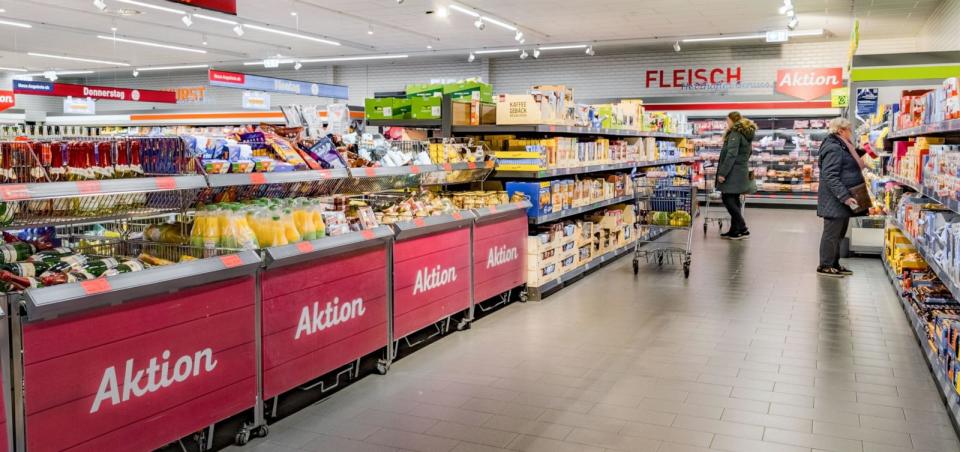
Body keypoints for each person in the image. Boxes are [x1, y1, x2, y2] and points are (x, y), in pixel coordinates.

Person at [816, 117, 866, 277]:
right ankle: (825, 265)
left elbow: (847, 161)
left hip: (840, 199)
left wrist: (865, 151)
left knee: (839, 234)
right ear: (840, 131)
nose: (851, 133)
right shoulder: (834, 148)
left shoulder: (841, 146)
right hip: (835, 199)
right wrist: (844, 196)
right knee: (831, 234)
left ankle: (834, 263)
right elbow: (830, 175)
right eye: (849, 130)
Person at [716, 111, 756, 240]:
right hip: (741, 171)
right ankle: (735, 231)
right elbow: (749, 152)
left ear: (733, 120)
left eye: (727, 120)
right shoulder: (746, 134)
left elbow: (731, 155)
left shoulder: (735, 134)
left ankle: (743, 227)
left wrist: (723, 173)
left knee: (727, 198)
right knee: (735, 200)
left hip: (732, 172)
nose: (726, 123)